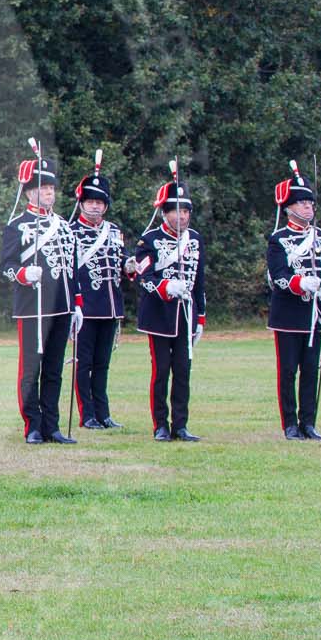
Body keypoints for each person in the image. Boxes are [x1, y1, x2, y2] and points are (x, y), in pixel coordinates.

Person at [1, 143, 75, 444]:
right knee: (31, 370)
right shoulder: (16, 226)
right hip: (32, 307)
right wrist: (22, 274)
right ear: (30, 192)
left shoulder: (63, 226)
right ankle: (32, 425)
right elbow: (6, 266)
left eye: (51, 188)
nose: (49, 193)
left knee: (55, 370)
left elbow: (74, 268)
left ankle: (51, 425)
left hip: (61, 307)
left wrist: (77, 305)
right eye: (43, 188)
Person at [265, 161, 321, 440]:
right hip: (288, 315)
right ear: (290, 208)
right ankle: (289, 424)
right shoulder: (279, 239)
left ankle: (308, 422)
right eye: (302, 203)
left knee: (311, 371)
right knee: (288, 373)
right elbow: (279, 276)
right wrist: (300, 283)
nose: (308, 208)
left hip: (315, 315)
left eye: (310, 203)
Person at [131, 166, 207, 441]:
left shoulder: (195, 240)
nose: (182, 216)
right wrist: (166, 287)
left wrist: (200, 317)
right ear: (165, 212)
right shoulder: (149, 240)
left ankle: (181, 425)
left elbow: (199, 282)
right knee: (161, 371)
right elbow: (144, 277)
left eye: (186, 211)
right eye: (177, 210)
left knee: (183, 372)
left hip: (186, 315)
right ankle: (160, 425)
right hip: (159, 316)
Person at [68, 152, 126, 430]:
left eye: (99, 202)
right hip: (85, 307)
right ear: (81, 203)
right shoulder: (70, 231)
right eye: (90, 201)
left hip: (110, 306)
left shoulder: (114, 231)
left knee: (102, 364)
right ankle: (87, 414)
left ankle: (104, 413)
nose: (94, 207)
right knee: (84, 362)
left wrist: (131, 265)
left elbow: (120, 265)